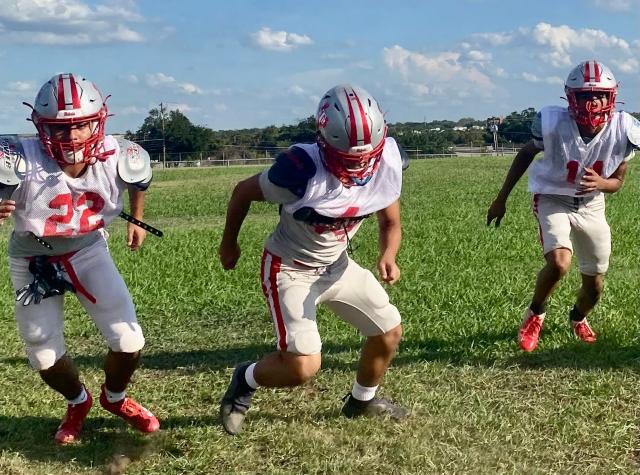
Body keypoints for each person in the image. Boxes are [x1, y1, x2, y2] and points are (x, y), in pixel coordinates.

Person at [218, 84, 409, 435]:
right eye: (349, 159)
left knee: (388, 331)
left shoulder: (387, 163)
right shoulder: (300, 169)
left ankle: (362, 401)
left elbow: (390, 220)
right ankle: (245, 378)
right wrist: (229, 243)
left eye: (367, 157)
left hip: (338, 266)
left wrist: (389, 254)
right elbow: (242, 192)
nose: (361, 168)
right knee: (302, 367)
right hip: (290, 268)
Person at [0, 73, 159, 444]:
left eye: (81, 126)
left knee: (129, 341)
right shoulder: (18, 158)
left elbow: (141, 181)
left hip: (87, 249)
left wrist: (138, 219)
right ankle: (78, 401)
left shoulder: (120, 154)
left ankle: (115, 398)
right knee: (43, 355)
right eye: (59, 129)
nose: (71, 138)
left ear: (98, 122)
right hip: (32, 260)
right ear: (41, 128)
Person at [487, 60, 640, 352]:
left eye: (598, 95)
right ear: (571, 97)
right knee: (559, 263)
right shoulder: (552, 122)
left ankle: (578, 318)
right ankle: (535, 314)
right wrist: (501, 198)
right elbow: (524, 154)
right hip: (552, 197)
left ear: (611, 97)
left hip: (592, 204)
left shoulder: (624, 128)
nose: (592, 102)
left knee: (594, 286)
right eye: (584, 95)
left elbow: (618, 181)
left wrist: (602, 184)